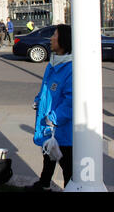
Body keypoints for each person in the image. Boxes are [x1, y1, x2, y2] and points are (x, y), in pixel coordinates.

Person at [25, 24, 73, 192]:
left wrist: (54, 118)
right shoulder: (52, 64)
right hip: (49, 125)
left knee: (67, 164)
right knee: (49, 156)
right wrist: (38, 100)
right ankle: (44, 184)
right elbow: (46, 89)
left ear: (64, 40)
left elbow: (71, 101)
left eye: (55, 35)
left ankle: (70, 188)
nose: (51, 38)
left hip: (62, 128)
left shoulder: (71, 68)